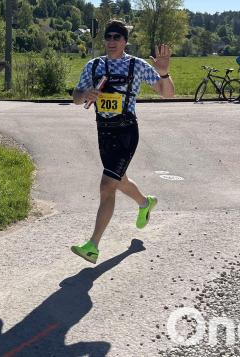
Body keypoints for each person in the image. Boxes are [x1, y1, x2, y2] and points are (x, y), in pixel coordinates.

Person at [70, 19, 175, 264]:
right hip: (103, 132)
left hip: (127, 131)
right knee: (119, 180)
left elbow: (167, 92)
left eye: (117, 37)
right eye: (108, 37)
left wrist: (163, 72)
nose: (112, 41)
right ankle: (145, 202)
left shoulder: (136, 65)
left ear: (125, 41)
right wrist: (86, 94)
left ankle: (93, 246)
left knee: (107, 184)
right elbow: (76, 97)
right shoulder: (94, 66)